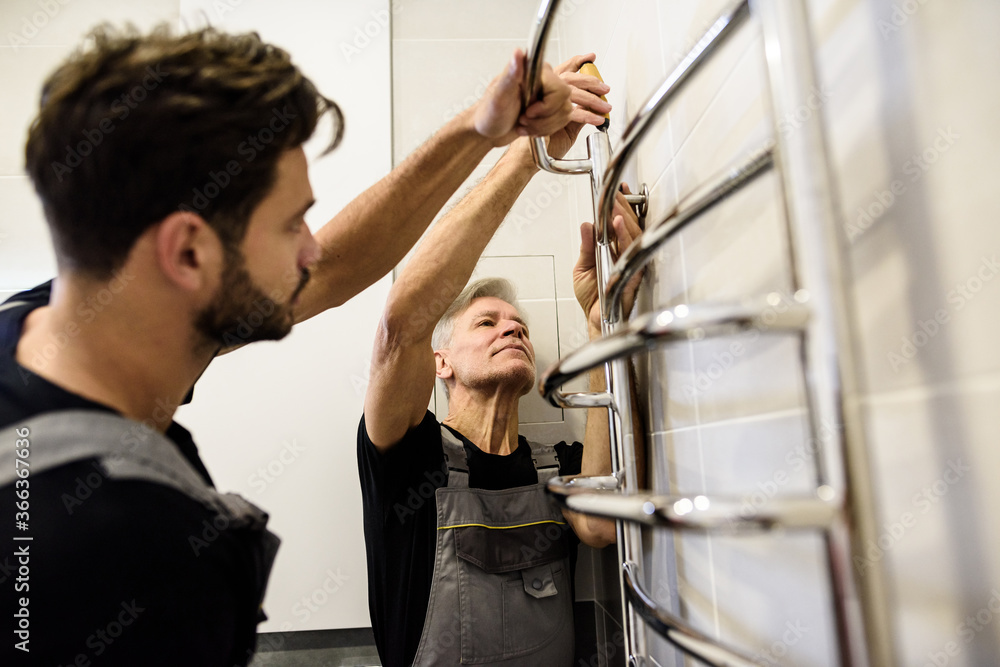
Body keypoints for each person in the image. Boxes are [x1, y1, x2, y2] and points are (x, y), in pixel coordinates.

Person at [0, 23, 578, 666]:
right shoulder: (139, 560)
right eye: (290, 224)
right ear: (188, 252)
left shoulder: (44, 317)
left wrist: (485, 129)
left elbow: (331, 266)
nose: (310, 248)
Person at [358, 60, 644, 665]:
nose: (511, 327)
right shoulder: (409, 459)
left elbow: (598, 528)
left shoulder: (556, 466)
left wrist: (601, 323)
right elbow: (402, 319)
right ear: (441, 362)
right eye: (485, 323)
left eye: (518, 325)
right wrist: (529, 152)